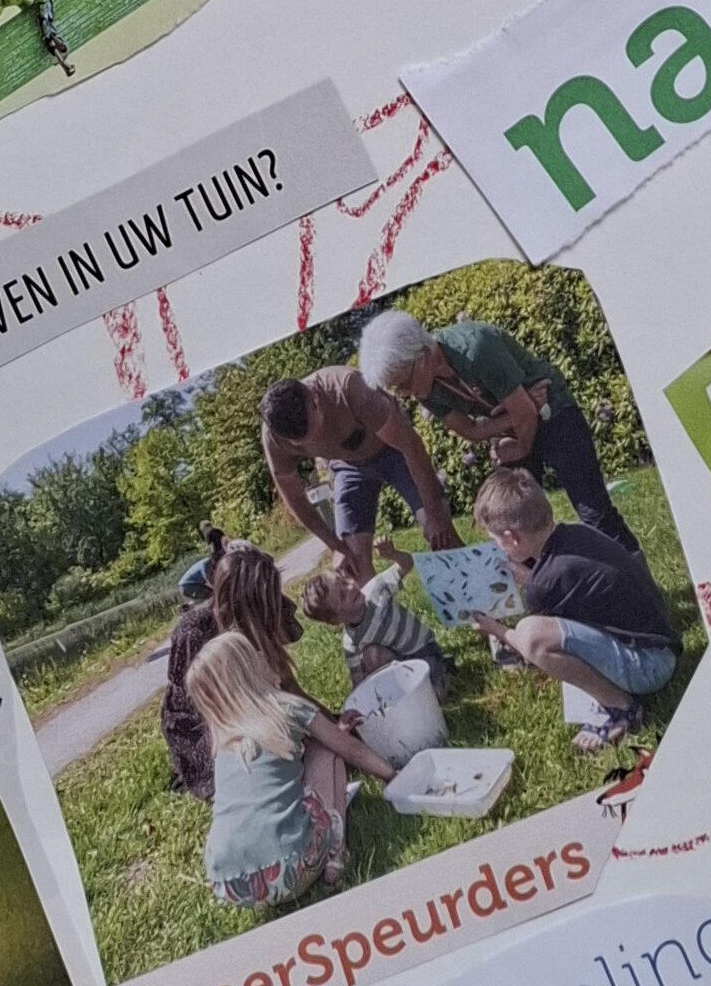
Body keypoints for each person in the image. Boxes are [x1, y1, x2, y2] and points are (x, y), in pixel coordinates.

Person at [358, 310, 642, 554]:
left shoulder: (476, 349)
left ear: (422, 357)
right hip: (521, 418)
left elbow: (527, 414)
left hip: (554, 412)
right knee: (516, 521)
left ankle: (636, 582)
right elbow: (471, 430)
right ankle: (550, 592)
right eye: (395, 390)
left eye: (402, 384)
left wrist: (521, 442)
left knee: (593, 510)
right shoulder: (425, 388)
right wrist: (515, 414)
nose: (404, 395)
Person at [465, 469, 676, 752]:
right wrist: (530, 578)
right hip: (660, 647)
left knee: (531, 634)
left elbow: (531, 645)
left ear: (511, 538)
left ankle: (621, 706)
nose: (497, 548)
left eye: (496, 541)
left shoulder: (546, 581)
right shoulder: (575, 534)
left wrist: (496, 629)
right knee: (544, 631)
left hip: (649, 667)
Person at [187, 632, 397, 907]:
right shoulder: (287, 707)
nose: (263, 655)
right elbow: (350, 749)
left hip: (231, 885)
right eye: (254, 654)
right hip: (293, 866)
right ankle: (335, 857)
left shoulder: (224, 742)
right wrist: (392, 776)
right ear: (247, 673)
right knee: (327, 752)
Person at [259, 367, 462, 585]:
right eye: (303, 443)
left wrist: (432, 513)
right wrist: (334, 547)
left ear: (315, 398)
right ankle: (385, 618)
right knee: (353, 566)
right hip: (348, 467)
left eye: (314, 430)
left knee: (441, 536)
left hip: (394, 450)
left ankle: (487, 607)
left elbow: (410, 445)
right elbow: (294, 498)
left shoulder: (348, 387)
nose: (313, 443)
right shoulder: (273, 437)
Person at [161, 548, 309, 800]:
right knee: (258, 772)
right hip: (205, 723)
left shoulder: (259, 620)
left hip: (249, 705)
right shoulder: (194, 633)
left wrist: (328, 721)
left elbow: (290, 687)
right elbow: (202, 708)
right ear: (247, 599)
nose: (277, 601)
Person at [298, 540, 449, 693]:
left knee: (434, 696)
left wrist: (393, 554)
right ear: (335, 620)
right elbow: (358, 680)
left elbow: (407, 563)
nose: (351, 586)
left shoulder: (376, 590)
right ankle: (402, 690)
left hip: (424, 650)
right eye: (343, 596)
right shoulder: (351, 642)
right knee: (371, 657)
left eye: (344, 581)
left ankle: (438, 674)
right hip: (400, 661)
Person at [178, 522, 228, 605]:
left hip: (185, 586)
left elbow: (210, 545)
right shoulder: (218, 531)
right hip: (188, 585)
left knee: (209, 595)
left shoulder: (208, 534)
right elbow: (208, 579)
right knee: (212, 595)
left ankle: (187, 606)